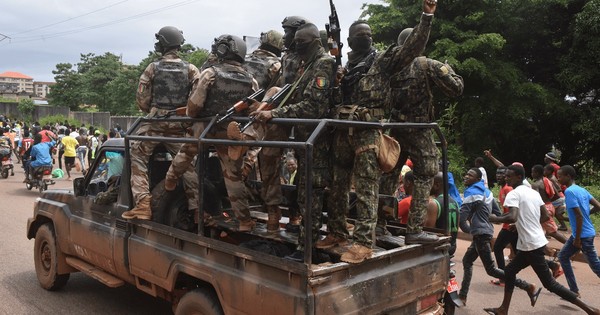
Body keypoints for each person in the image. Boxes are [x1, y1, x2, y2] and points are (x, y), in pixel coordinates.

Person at [251, 23, 336, 262]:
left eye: (302, 43)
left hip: (317, 141)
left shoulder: (324, 64)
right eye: (295, 42)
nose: (297, 47)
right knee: (304, 192)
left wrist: (274, 114)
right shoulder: (306, 64)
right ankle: (305, 243)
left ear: (315, 43)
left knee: (311, 194)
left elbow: (313, 107)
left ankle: (306, 250)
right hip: (305, 139)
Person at [382, 2, 464, 245]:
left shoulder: (389, 66)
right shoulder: (427, 64)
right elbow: (456, 89)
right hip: (419, 129)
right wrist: (451, 70)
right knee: (426, 173)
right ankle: (414, 228)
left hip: (394, 129)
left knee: (388, 174)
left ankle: (379, 223)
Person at [163, 34, 258, 230]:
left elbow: (193, 108)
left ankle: (171, 178)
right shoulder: (251, 81)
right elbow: (252, 111)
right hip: (229, 132)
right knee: (233, 177)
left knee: (186, 153)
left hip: (204, 128)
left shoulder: (209, 74)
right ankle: (244, 220)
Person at [485, 165, 599, 315]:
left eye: (509, 176)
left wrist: (496, 218)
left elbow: (512, 216)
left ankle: (589, 310)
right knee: (510, 271)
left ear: (519, 177)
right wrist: (521, 224)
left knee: (550, 284)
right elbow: (545, 216)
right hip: (533, 241)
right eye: (506, 176)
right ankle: (503, 309)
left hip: (531, 244)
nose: (506, 179)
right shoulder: (532, 192)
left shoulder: (514, 194)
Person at [123, 26, 201, 221]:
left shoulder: (153, 67)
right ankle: (198, 209)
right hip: (179, 125)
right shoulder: (191, 69)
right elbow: (198, 99)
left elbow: (142, 99)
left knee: (137, 155)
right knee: (187, 164)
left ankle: (142, 204)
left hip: (154, 125)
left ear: (163, 43)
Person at [458, 168, 539, 306]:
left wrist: (473, 230)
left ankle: (526, 286)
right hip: (486, 232)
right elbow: (497, 214)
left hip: (480, 235)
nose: (466, 176)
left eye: (470, 175)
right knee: (467, 261)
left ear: (478, 179)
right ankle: (463, 296)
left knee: (491, 270)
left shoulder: (471, 193)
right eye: (466, 173)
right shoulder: (488, 193)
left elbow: (462, 220)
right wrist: (485, 221)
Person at [557, 165, 600, 298]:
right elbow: (598, 206)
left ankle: (573, 291)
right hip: (583, 233)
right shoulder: (581, 190)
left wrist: (577, 239)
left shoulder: (569, 192)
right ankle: (573, 291)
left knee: (595, 266)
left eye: (560, 176)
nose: (558, 179)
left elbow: (579, 216)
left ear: (568, 176)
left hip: (582, 235)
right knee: (563, 256)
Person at [490, 166, 517, 286]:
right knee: (524, 255)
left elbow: (514, 210)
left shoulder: (508, 189)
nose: (499, 176)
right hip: (509, 224)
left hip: (511, 225)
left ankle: (503, 277)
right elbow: (506, 210)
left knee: (497, 248)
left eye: (503, 174)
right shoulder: (502, 189)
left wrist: (498, 218)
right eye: (498, 173)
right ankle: (553, 265)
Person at [428, 172, 459, 256]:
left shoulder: (433, 204)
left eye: (429, 182)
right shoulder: (455, 202)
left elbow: (428, 231)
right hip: (452, 246)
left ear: (436, 185)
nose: (427, 186)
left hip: (438, 248)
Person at [544, 163, 568, 231]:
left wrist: (552, 195)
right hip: (559, 198)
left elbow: (559, 189)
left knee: (546, 212)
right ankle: (564, 226)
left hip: (558, 198)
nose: (544, 172)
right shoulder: (550, 178)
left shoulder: (551, 179)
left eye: (545, 170)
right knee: (557, 214)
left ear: (549, 171)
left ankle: (548, 231)